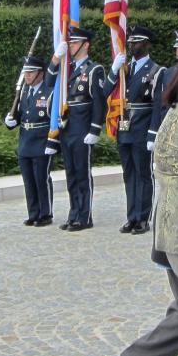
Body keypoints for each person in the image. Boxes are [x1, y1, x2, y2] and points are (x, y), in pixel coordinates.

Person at [46, 26, 106, 232]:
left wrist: (95, 129)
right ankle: (74, 214)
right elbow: (47, 82)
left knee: (82, 173)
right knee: (71, 174)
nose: (70, 45)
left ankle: (85, 216)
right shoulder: (66, 68)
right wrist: (55, 58)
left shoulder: (93, 69)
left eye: (73, 42)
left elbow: (99, 101)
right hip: (67, 128)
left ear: (85, 44)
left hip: (82, 129)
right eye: (69, 42)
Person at [107, 25, 165, 235]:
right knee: (128, 174)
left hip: (142, 129)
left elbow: (158, 105)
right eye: (131, 41)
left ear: (148, 45)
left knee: (143, 174)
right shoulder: (123, 69)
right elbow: (104, 92)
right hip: (124, 128)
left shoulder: (157, 71)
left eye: (138, 41)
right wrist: (114, 71)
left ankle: (143, 218)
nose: (132, 45)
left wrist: (153, 133)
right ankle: (131, 217)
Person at [4, 55, 55, 227]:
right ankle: (33, 213)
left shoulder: (49, 91)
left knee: (41, 179)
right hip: (25, 141)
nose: (27, 76)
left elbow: (54, 119)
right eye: (26, 72)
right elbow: (21, 115)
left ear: (41, 73)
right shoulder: (24, 91)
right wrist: (11, 121)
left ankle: (45, 213)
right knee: (28, 181)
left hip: (41, 141)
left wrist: (52, 141)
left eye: (31, 72)